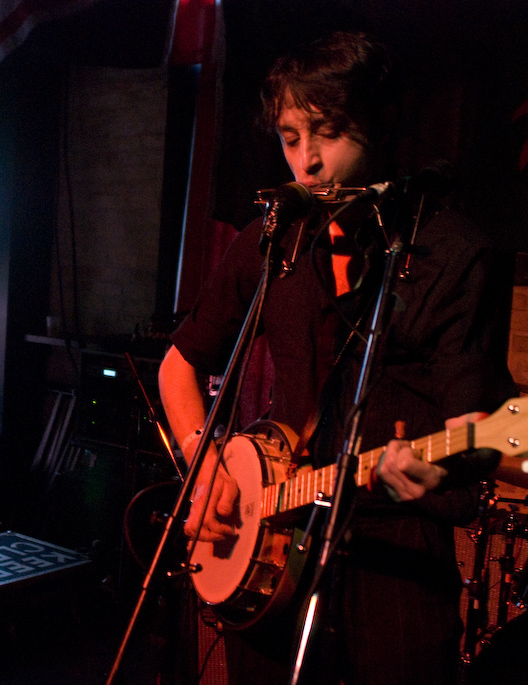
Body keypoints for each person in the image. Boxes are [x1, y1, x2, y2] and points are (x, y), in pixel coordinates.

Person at [157, 31, 516, 685]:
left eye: (327, 133)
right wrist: (205, 468)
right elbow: (178, 365)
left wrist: (433, 471)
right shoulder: (275, 242)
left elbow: (481, 439)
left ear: (380, 123)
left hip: (395, 562)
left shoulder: (454, 255)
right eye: (291, 138)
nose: (308, 163)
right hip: (272, 568)